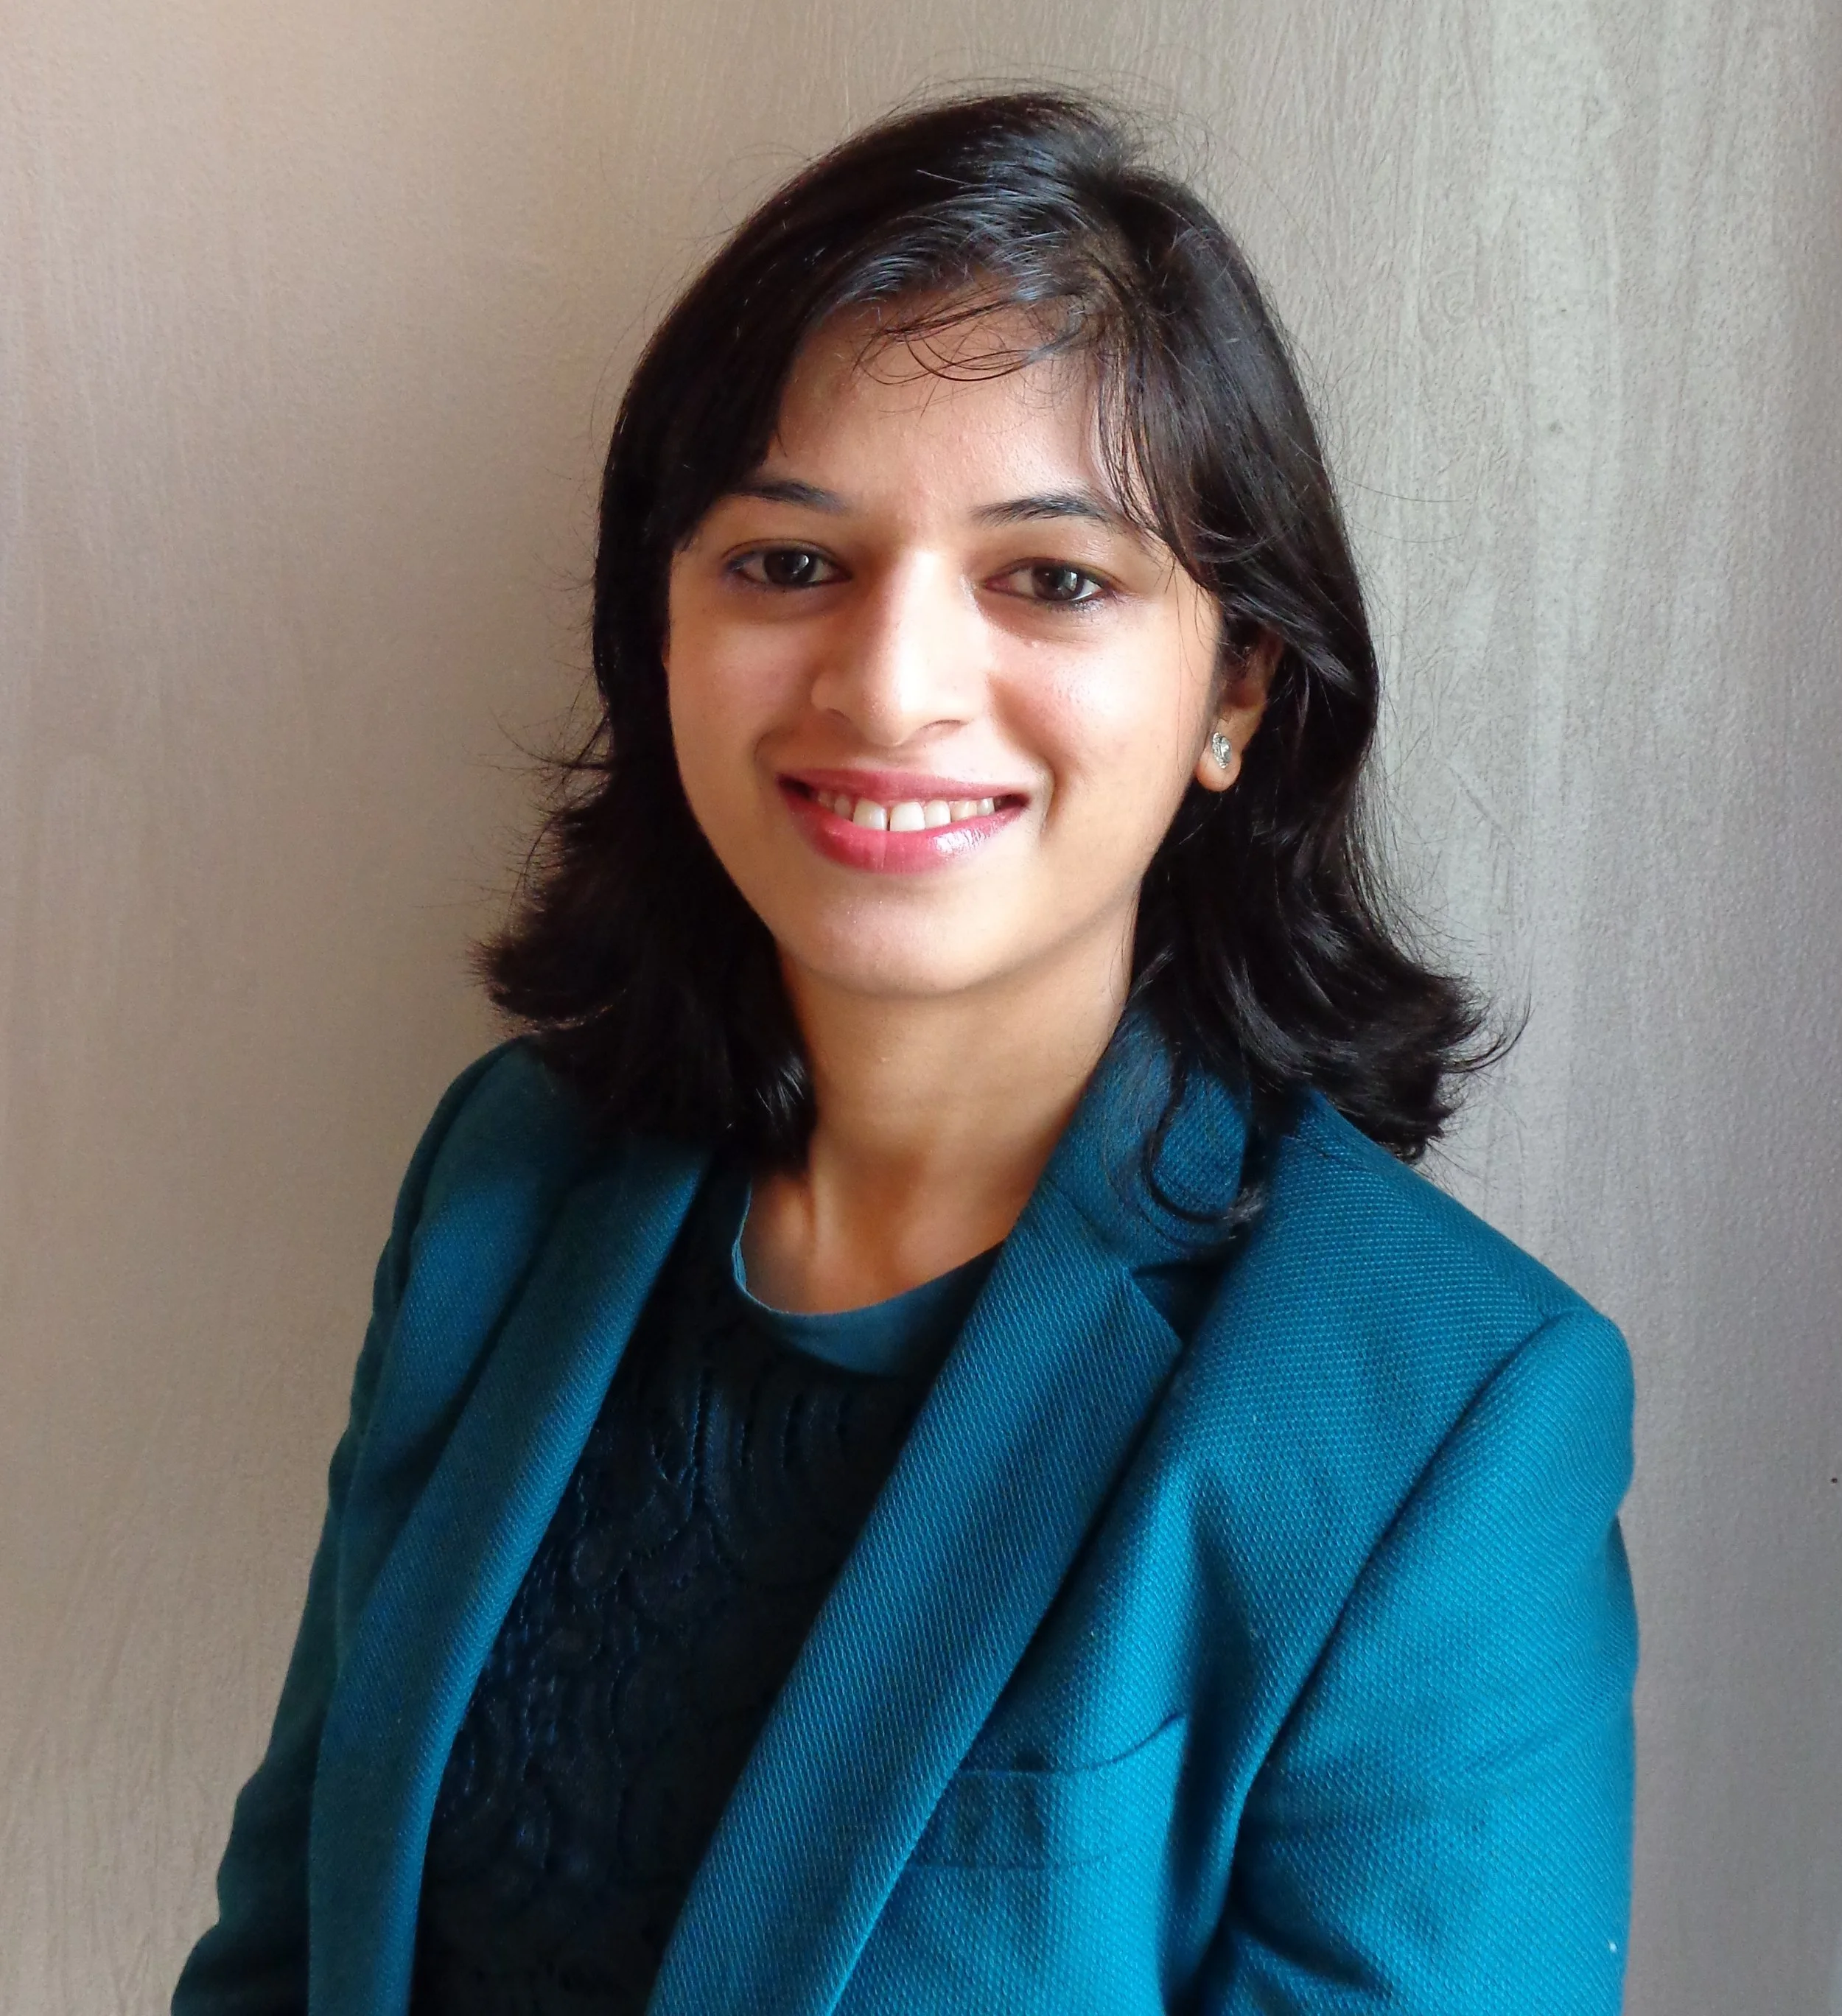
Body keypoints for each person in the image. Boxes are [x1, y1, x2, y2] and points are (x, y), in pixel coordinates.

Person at [172, 89, 1637, 2016]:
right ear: (660, 635)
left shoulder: (1438, 1416)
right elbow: (284, 1959)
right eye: (787, 564)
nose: (887, 685)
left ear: (1239, 689)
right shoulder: (507, 1176)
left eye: (1051, 577)